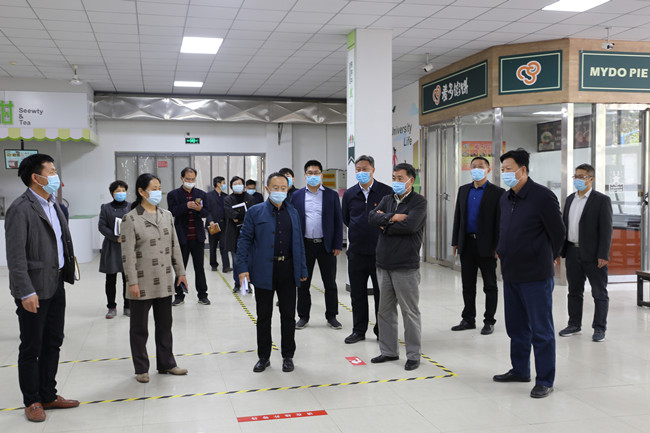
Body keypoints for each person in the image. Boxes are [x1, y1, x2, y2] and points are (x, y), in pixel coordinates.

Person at [6, 153, 79, 422]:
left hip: (56, 283)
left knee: (53, 341)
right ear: (36, 177)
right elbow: (15, 256)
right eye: (51, 171)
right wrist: (25, 291)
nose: (56, 175)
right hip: (33, 288)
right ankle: (32, 400)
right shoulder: (20, 208)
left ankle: (48, 393)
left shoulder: (54, 205)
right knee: (31, 346)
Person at [493, 148, 565, 399]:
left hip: (536, 275)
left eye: (509, 169)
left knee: (540, 330)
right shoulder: (505, 198)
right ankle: (520, 370)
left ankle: (545, 379)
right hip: (511, 272)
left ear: (523, 170)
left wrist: (549, 255)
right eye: (503, 169)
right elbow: (504, 229)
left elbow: (558, 232)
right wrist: (501, 249)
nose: (505, 173)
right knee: (516, 327)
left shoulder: (542, 196)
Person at [237, 173, 308, 373]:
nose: (279, 191)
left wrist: (302, 268)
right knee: (264, 316)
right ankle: (264, 357)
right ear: (267, 189)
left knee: (288, 315)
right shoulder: (255, 212)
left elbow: (299, 243)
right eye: (275, 188)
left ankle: (288, 356)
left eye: (283, 188)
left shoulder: (293, 212)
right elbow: (244, 241)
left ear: (288, 189)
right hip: (263, 270)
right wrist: (242, 269)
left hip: (288, 270)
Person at [121, 173, 189, 384]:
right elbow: (127, 254)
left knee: (165, 325)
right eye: (154, 188)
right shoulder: (131, 218)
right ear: (141, 192)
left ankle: (167, 363)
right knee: (139, 329)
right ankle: (141, 368)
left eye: (160, 188)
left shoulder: (166, 215)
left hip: (164, 280)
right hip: (141, 282)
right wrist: (132, 282)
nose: (158, 192)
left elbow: (175, 246)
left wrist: (181, 272)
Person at [368, 163, 427, 371]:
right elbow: (371, 217)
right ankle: (389, 351)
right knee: (384, 311)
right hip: (383, 263)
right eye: (394, 178)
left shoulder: (419, 202)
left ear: (411, 180)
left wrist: (385, 224)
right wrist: (392, 217)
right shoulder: (388, 199)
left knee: (409, 312)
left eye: (400, 178)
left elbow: (410, 226)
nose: (396, 182)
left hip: (405, 266)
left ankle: (413, 355)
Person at [450, 157, 504, 335]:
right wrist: (455, 241)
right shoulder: (463, 190)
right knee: (467, 285)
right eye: (473, 166)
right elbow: (458, 217)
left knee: (490, 285)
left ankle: (489, 320)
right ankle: (468, 319)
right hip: (467, 244)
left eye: (481, 166)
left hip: (488, 246)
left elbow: (500, 222)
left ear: (488, 169)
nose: (477, 169)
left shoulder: (498, 192)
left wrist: (498, 246)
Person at [341, 155, 392, 344]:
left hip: (380, 253)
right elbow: (346, 219)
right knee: (357, 294)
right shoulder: (350, 194)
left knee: (382, 295)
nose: (361, 172)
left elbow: (391, 218)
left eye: (365, 169)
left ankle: (381, 331)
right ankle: (358, 330)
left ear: (373, 170)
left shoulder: (386, 192)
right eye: (358, 169)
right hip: (356, 253)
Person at [559, 163, 612, 342]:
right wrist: (560, 250)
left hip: (594, 254)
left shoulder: (601, 200)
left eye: (582, 177)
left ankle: (599, 328)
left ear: (591, 179)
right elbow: (564, 225)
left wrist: (603, 254)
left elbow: (606, 230)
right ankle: (574, 324)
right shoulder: (570, 199)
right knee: (574, 291)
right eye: (576, 176)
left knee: (599, 293)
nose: (578, 180)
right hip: (572, 251)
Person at [291, 159, 343, 330]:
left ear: (321, 175)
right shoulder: (297, 196)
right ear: (305, 175)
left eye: (316, 173)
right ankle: (303, 316)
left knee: (330, 283)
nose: (313, 175)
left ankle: (332, 316)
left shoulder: (331, 195)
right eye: (310, 173)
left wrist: (337, 244)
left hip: (326, 246)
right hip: (305, 246)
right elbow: (292, 222)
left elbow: (338, 220)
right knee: (303, 283)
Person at [167, 167, 210, 306]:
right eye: (187, 179)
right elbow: (172, 212)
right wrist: (186, 206)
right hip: (181, 238)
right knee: (180, 267)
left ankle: (203, 295)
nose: (190, 182)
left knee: (199, 268)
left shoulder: (202, 194)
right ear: (182, 178)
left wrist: (200, 209)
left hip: (197, 237)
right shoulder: (173, 194)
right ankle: (179, 295)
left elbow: (206, 213)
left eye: (192, 179)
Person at [98, 180, 131, 319]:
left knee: (127, 278)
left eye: (123, 190)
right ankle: (111, 307)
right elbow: (101, 226)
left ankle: (128, 306)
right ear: (112, 193)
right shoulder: (105, 207)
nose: (121, 193)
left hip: (128, 247)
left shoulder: (131, 206)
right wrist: (114, 237)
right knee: (110, 279)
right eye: (118, 191)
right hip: (112, 246)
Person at [224, 176, 256, 292]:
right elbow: (229, 212)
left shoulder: (250, 198)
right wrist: (240, 216)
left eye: (240, 183)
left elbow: (252, 213)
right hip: (234, 233)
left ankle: (249, 283)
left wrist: (239, 217)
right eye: (235, 184)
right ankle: (237, 283)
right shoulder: (228, 199)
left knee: (249, 259)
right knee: (236, 259)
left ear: (243, 185)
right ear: (231, 187)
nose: (238, 185)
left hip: (248, 232)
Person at [205, 176, 231, 272]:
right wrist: (210, 220)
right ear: (218, 184)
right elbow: (206, 210)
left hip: (224, 224)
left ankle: (226, 266)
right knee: (213, 245)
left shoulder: (226, 196)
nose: (224, 185)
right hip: (213, 225)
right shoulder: (208, 196)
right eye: (223, 183)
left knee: (224, 245)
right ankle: (213, 264)